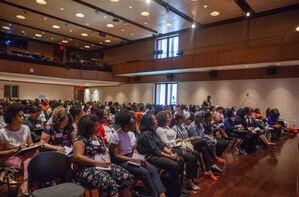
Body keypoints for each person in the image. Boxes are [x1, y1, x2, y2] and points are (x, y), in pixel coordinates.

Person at [110, 110, 166, 197]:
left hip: (131, 157)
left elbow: (134, 149)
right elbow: (116, 156)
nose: (134, 126)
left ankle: (161, 194)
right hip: (121, 161)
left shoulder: (131, 134)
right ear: (125, 125)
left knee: (153, 169)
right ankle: (153, 194)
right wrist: (133, 159)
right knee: (144, 172)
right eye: (132, 124)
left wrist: (139, 158)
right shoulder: (116, 135)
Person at [73, 114, 132, 197]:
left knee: (125, 176)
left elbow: (105, 152)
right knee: (107, 181)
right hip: (86, 169)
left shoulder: (99, 138)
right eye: (96, 126)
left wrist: (107, 160)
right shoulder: (80, 140)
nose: (98, 128)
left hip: (103, 165)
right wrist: (98, 163)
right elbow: (78, 157)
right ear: (88, 127)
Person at [137, 113, 187, 197]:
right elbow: (155, 151)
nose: (156, 121)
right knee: (174, 165)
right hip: (149, 157)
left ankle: (178, 188)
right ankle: (173, 192)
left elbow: (162, 145)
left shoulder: (153, 132)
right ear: (149, 123)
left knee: (180, 159)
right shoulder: (145, 134)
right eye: (154, 120)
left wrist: (171, 153)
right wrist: (170, 156)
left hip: (157, 154)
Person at [0, 103, 39, 196]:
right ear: (12, 117)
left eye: (23, 115)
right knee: (31, 162)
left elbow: (30, 144)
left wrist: (32, 146)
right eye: (20, 116)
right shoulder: (3, 132)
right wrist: (16, 149)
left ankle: (26, 184)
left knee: (34, 153)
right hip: (10, 156)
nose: (23, 118)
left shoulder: (26, 128)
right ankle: (27, 184)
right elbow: (0, 153)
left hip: (25, 155)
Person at [156, 111, 199, 190]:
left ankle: (189, 177)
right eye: (168, 118)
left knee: (196, 153)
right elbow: (164, 143)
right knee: (190, 157)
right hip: (170, 148)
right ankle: (187, 181)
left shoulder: (167, 127)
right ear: (163, 119)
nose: (170, 119)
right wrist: (175, 141)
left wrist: (177, 141)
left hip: (176, 146)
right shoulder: (160, 129)